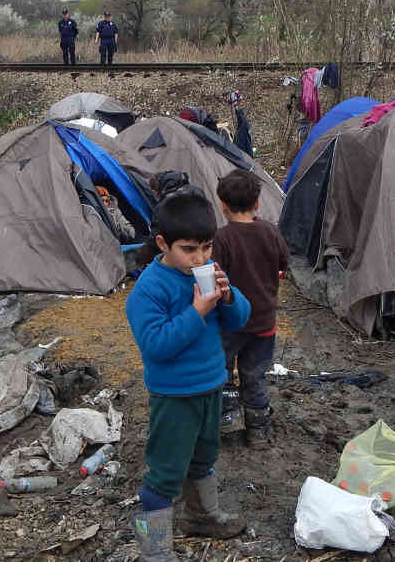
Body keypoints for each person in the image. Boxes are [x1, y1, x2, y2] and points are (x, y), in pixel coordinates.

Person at [125, 190, 251, 561]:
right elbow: (157, 346)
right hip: (175, 395)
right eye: (189, 249)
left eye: (207, 247)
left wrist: (228, 299)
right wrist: (196, 311)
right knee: (164, 473)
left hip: (212, 384)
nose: (200, 258)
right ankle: (154, 550)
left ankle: (202, 516)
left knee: (203, 457)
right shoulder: (148, 290)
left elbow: (240, 319)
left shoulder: (209, 272)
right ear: (163, 243)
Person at [212, 170, 289, 444]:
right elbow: (283, 264)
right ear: (257, 203)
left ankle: (227, 422)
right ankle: (258, 430)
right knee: (254, 374)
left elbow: (215, 279)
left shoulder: (222, 238)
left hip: (231, 322)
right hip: (264, 321)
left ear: (222, 205)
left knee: (221, 370)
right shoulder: (270, 231)